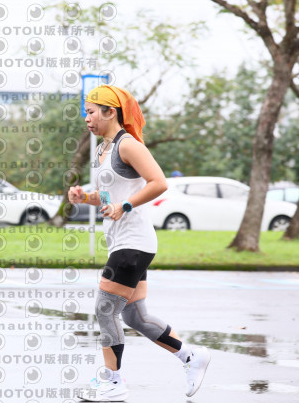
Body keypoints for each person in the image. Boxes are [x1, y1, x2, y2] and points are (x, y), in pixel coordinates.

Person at [68, 85, 210, 401]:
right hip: (124, 242)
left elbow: (159, 182)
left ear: (111, 112)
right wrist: (85, 197)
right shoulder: (102, 149)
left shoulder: (128, 145)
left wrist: (126, 206)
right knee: (134, 316)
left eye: (91, 112)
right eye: (85, 112)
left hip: (133, 243)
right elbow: (110, 196)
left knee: (105, 309)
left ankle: (113, 381)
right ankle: (191, 356)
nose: (86, 118)